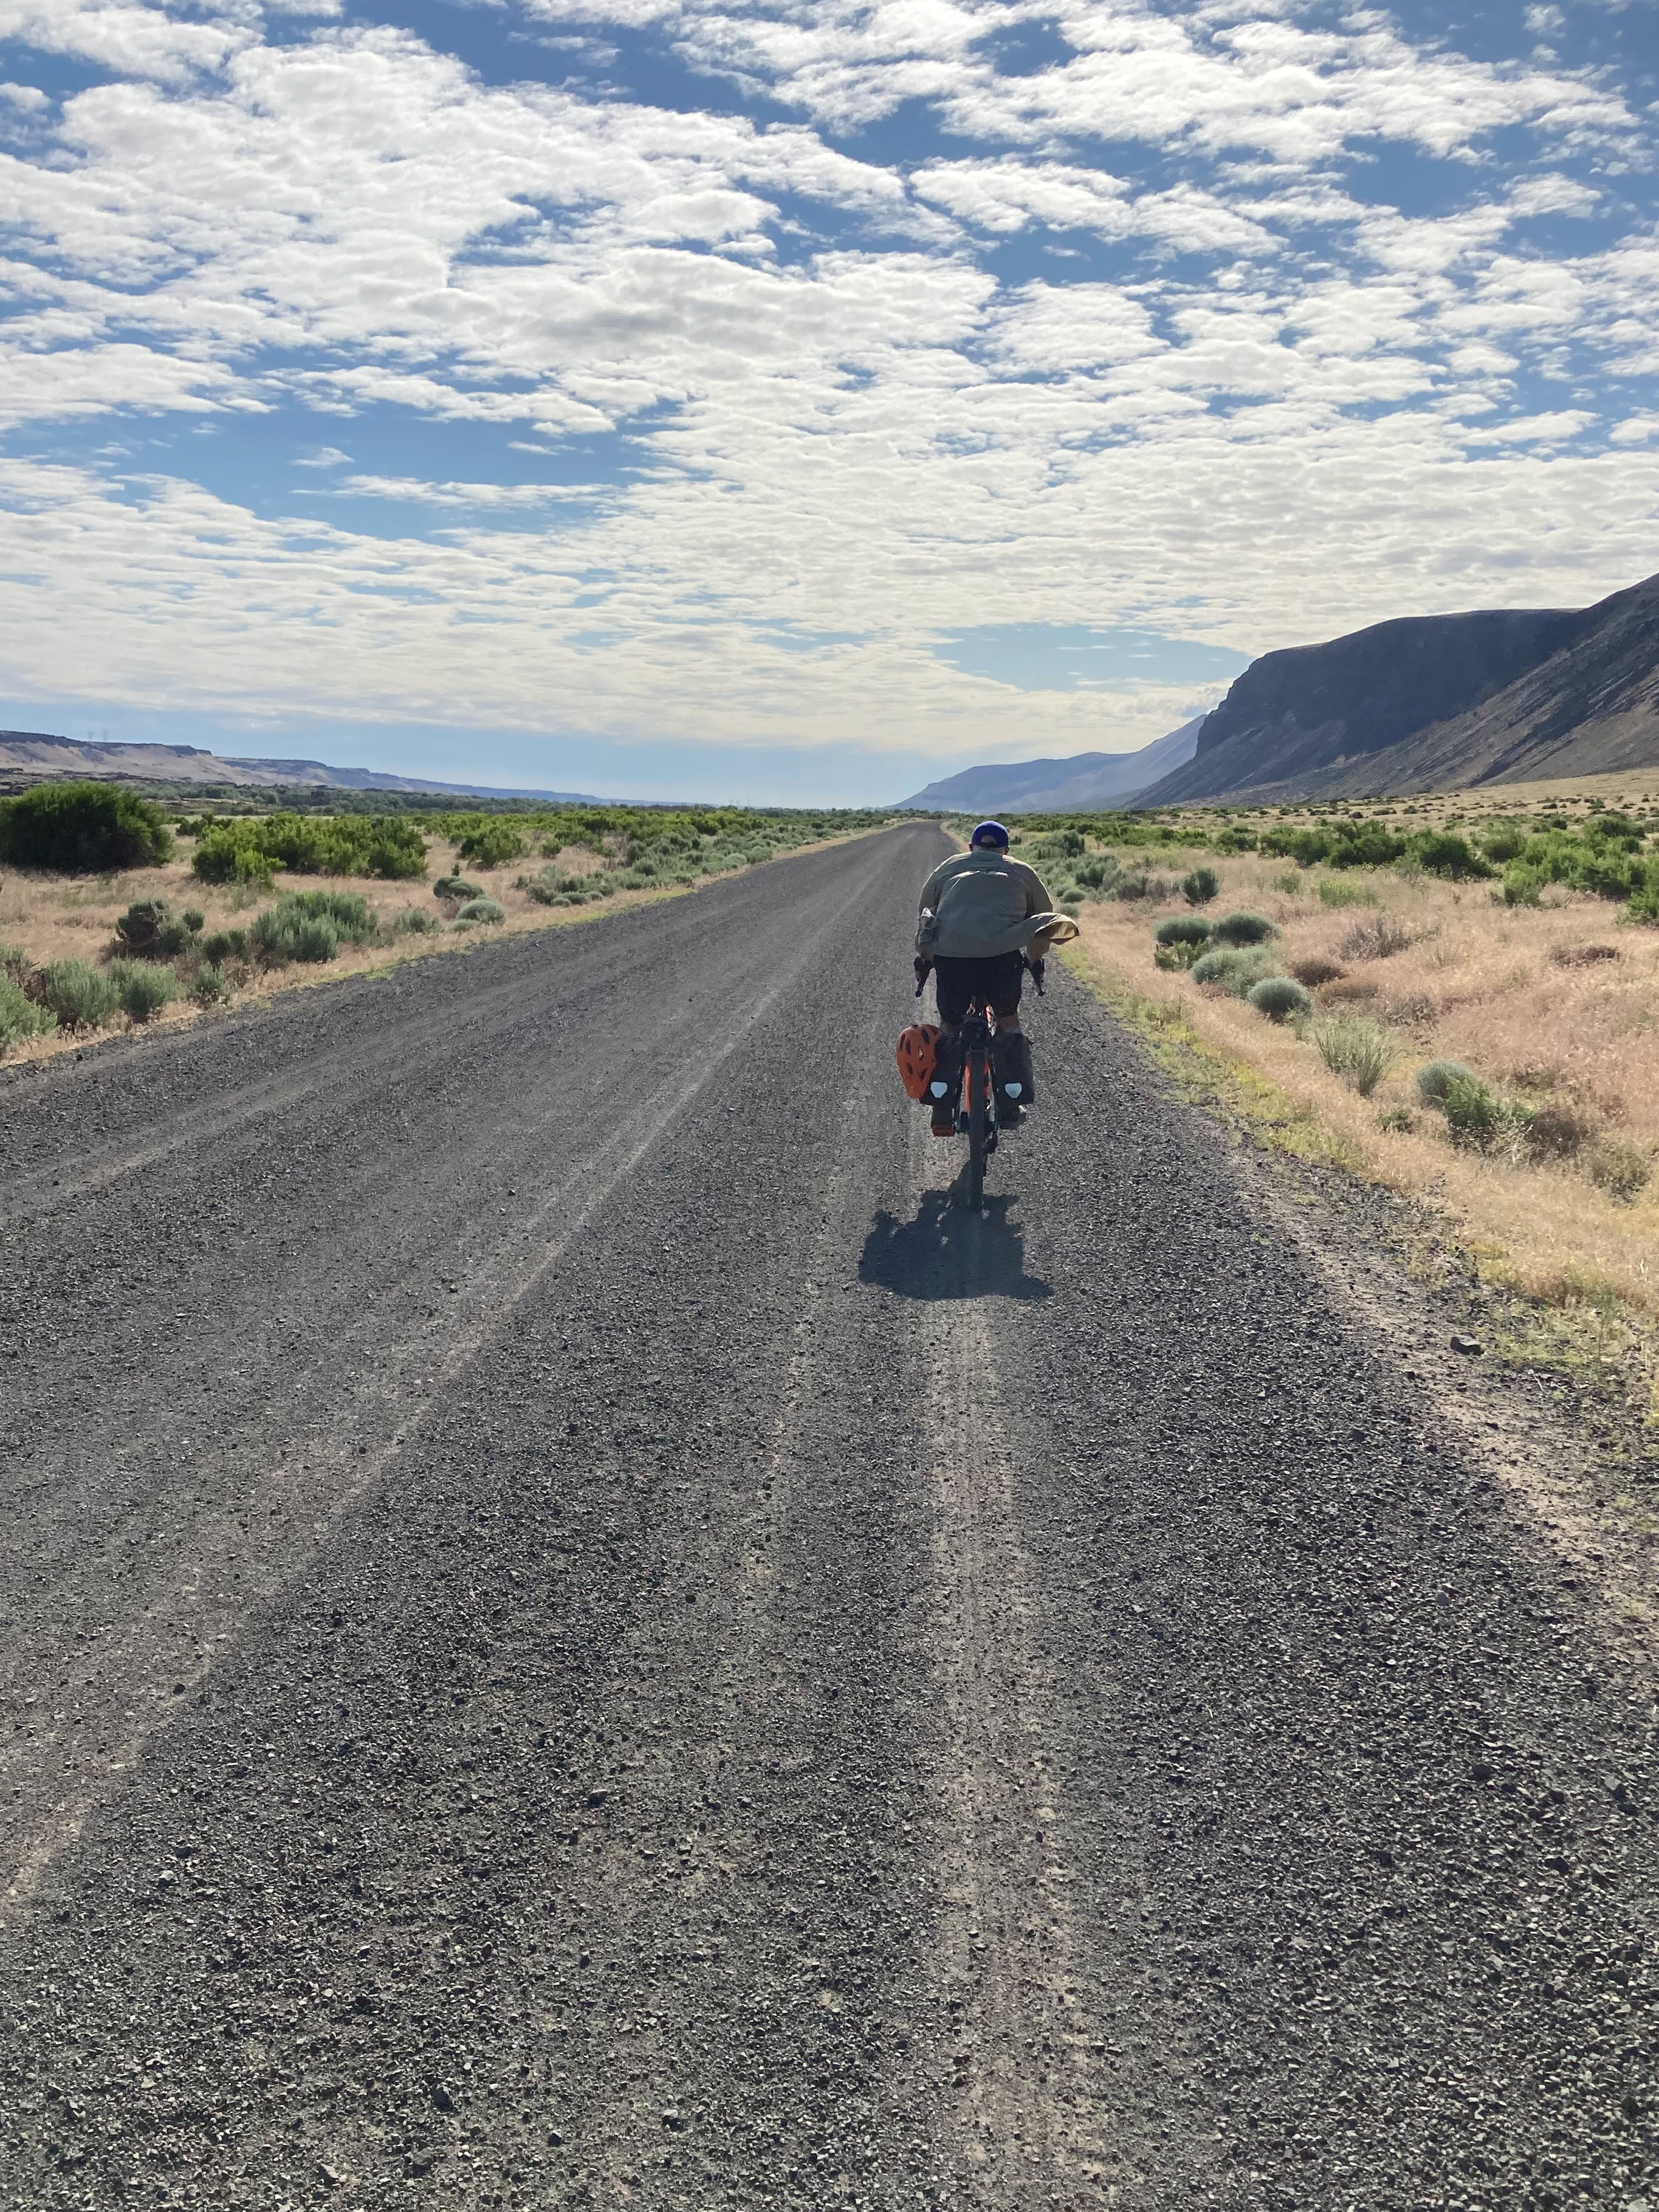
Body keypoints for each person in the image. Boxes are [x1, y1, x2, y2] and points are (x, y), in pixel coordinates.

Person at [913, 820, 1058, 1136]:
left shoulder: (949, 867)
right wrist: (1034, 959)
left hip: (953, 961)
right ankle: (1010, 1107)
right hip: (1001, 961)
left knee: (950, 1026)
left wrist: (925, 959)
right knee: (1007, 1020)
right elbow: (1042, 921)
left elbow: (926, 916)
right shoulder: (1022, 871)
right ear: (1006, 851)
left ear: (971, 848)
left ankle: (941, 1110)